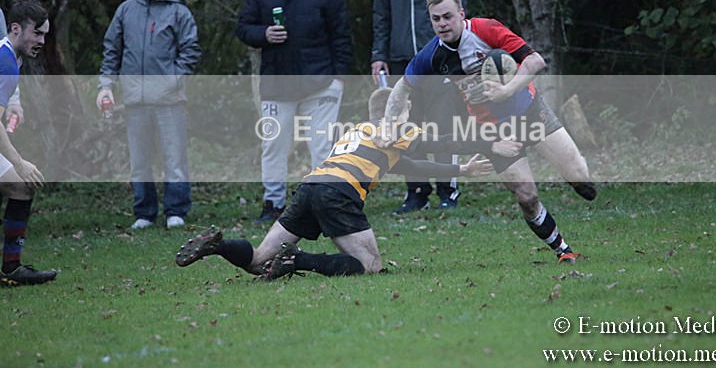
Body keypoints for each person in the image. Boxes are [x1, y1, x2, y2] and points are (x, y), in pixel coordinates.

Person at [175, 87, 520, 279]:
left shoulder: (360, 131)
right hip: (338, 194)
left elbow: (410, 164)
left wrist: (463, 172)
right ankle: (297, 260)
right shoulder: (394, 128)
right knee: (369, 267)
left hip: (310, 187)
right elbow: (442, 142)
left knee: (258, 261)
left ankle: (217, 245)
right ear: (398, 110)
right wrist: (489, 144)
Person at [383, 0, 597, 264]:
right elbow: (402, 88)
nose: (442, 24)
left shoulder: (486, 30)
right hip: (493, 130)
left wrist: (507, 90)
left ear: (461, 13)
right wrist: (388, 123)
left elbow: (535, 61)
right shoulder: (432, 56)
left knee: (582, 181)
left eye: (447, 16)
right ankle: (563, 250)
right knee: (526, 195)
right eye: (436, 19)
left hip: (530, 111)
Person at [236, 0, 353, 224]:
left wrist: (339, 79)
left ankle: (323, 203)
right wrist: (263, 34)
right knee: (274, 144)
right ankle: (273, 203)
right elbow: (243, 27)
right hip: (277, 83)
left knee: (322, 145)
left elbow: (342, 36)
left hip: (321, 82)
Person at [371, 0, 470, 214]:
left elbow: (460, 11)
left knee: (443, 127)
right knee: (406, 128)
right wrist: (379, 54)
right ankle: (416, 193)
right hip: (401, 59)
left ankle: (448, 191)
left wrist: (461, 54)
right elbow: (381, 13)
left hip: (439, 58)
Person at [96, 0, 201, 230]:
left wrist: (172, 80)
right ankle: (144, 212)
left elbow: (190, 51)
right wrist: (106, 85)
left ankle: (176, 210)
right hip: (134, 100)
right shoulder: (125, 11)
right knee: (139, 158)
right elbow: (112, 50)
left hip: (170, 99)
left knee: (174, 155)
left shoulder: (179, 11)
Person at [0, 0, 56, 286]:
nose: (41, 41)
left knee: (20, 187)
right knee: (21, 182)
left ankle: (11, 267)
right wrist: (19, 162)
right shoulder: (6, 61)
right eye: (37, 33)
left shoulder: (11, 58)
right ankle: (11, 267)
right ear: (16, 28)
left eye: (45, 35)